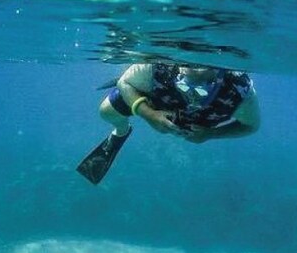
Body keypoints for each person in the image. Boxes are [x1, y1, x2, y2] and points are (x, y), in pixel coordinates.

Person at [76, 62, 261, 184]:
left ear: (218, 76)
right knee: (106, 113)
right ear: (178, 70)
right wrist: (148, 114)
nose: (191, 95)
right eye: (185, 84)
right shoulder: (159, 65)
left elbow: (252, 125)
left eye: (202, 88)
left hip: (209, 114)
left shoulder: (239, 90)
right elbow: (124, 82)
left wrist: (210, 134)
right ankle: (121, 131)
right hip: (158, 98)